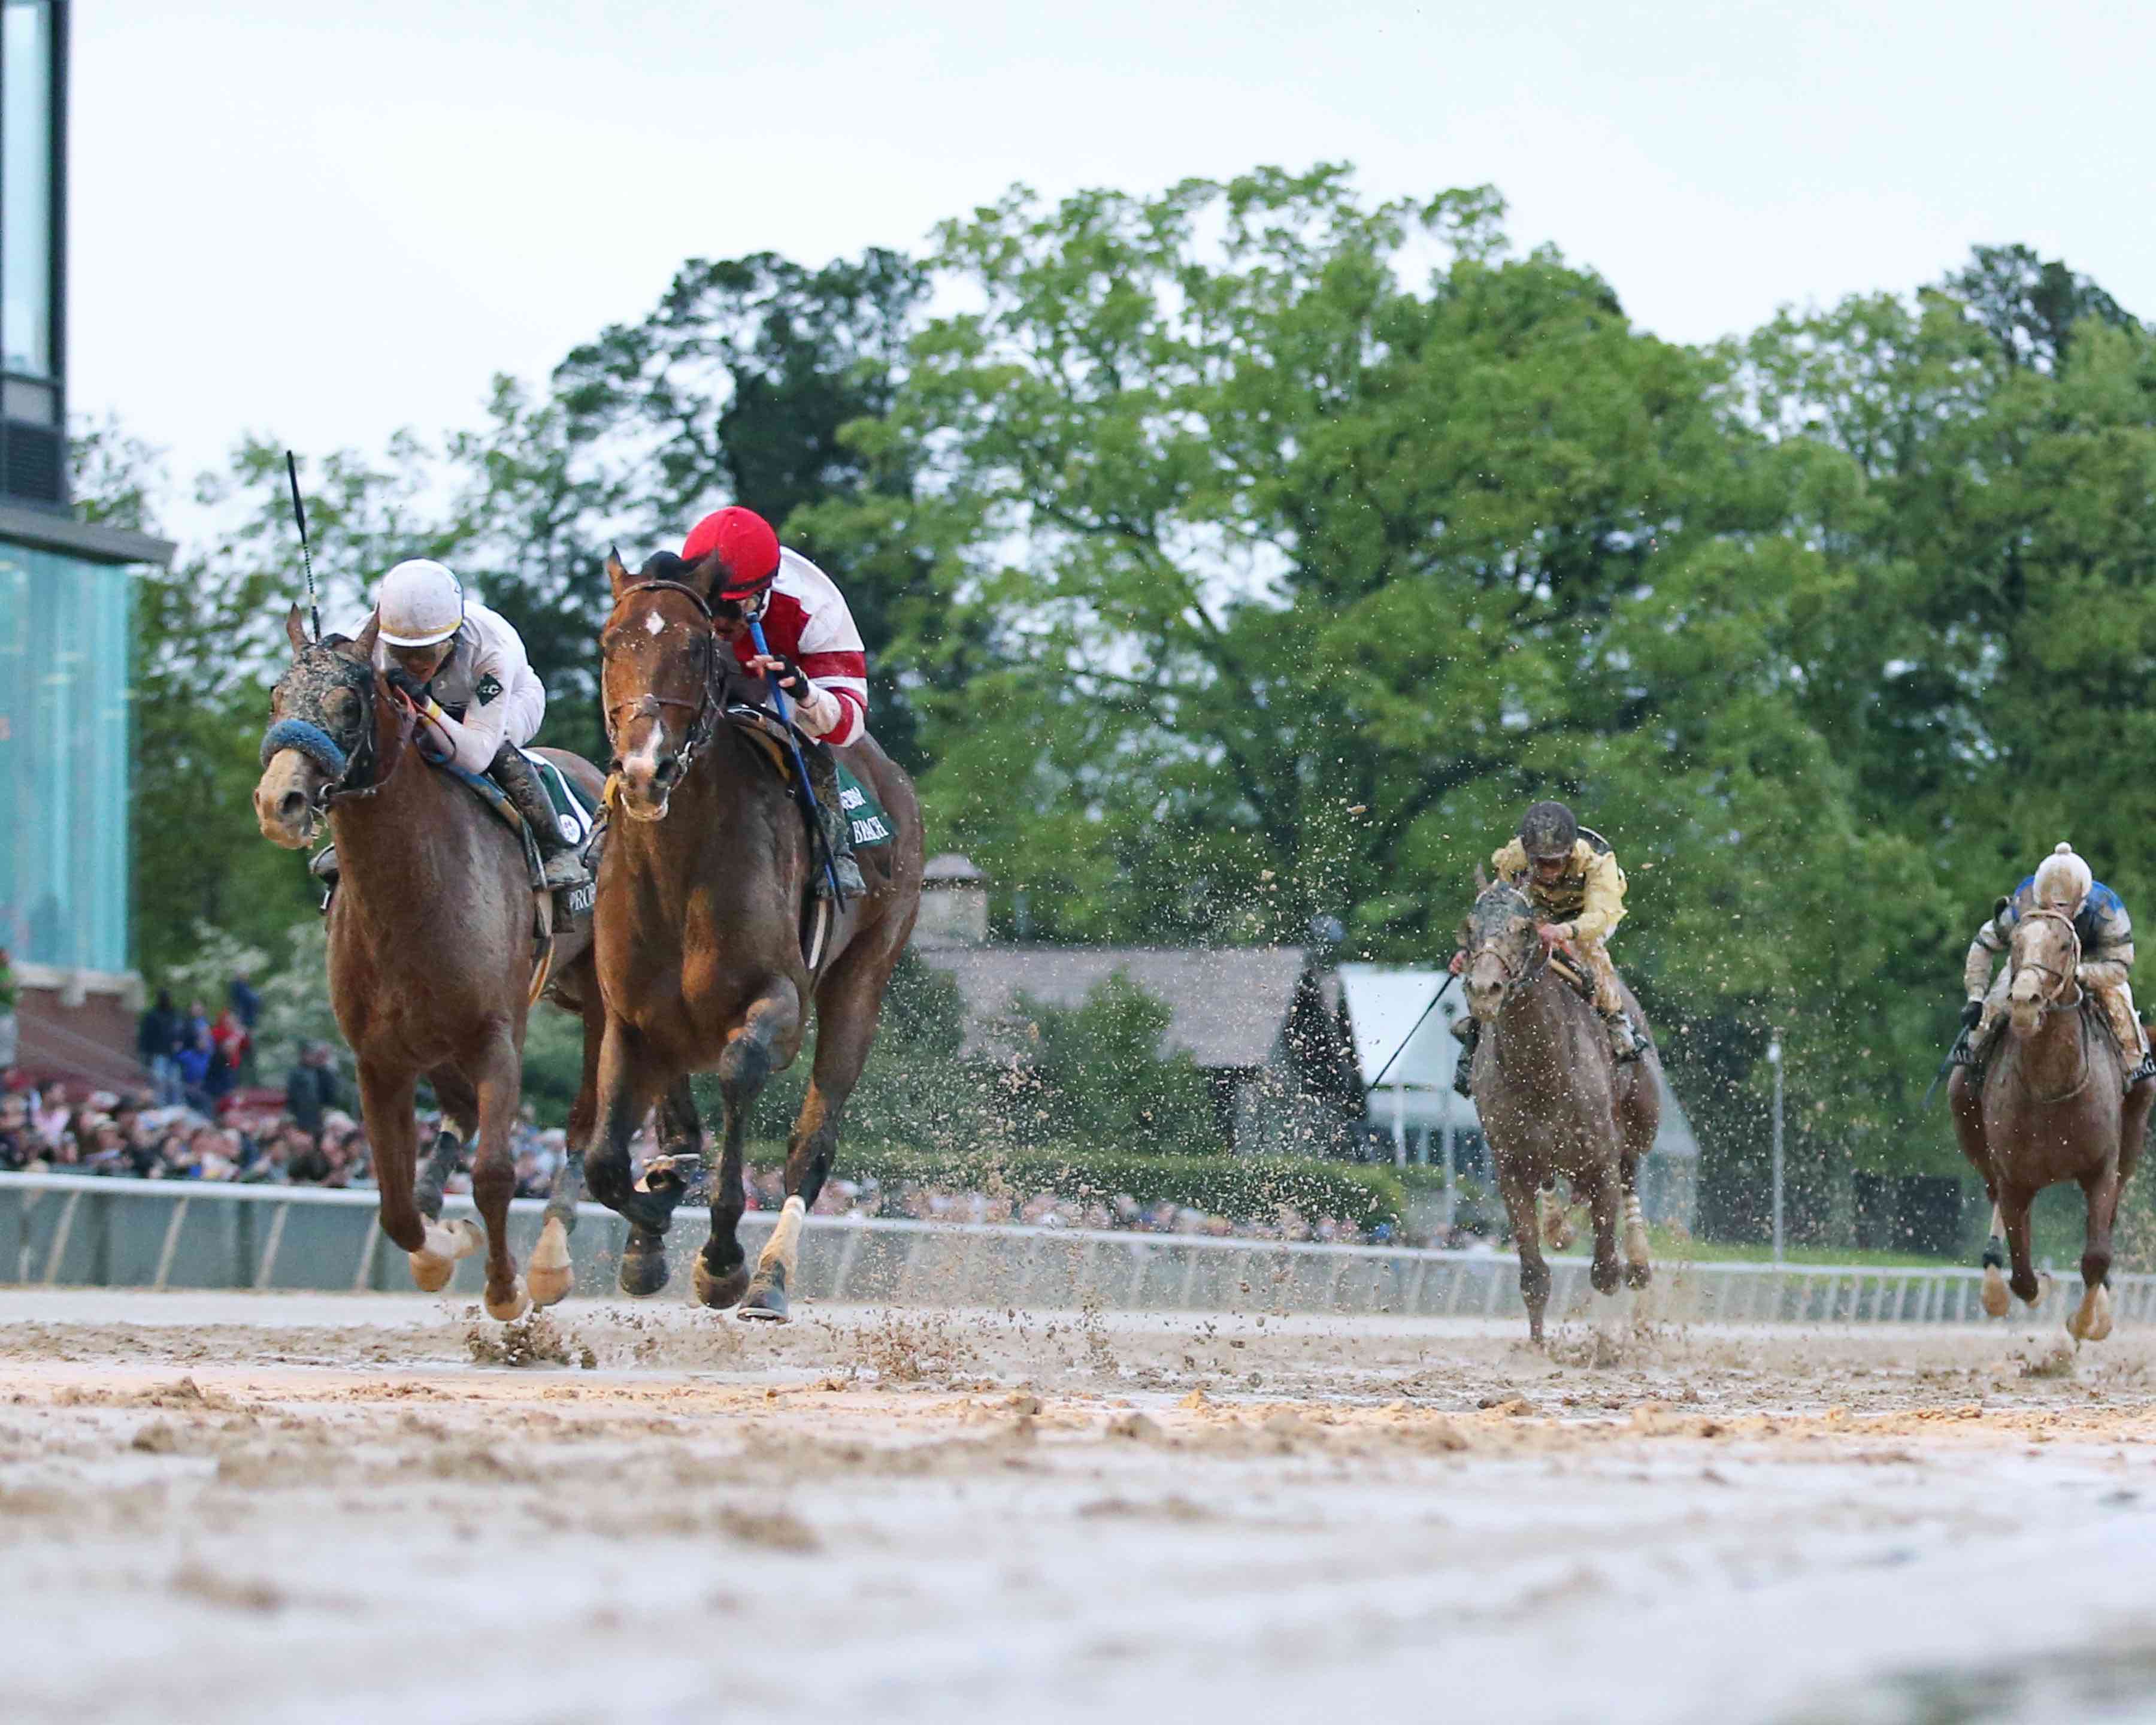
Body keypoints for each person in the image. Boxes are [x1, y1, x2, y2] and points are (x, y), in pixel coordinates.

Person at [313, 559, 587, 892]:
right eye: (403, 653)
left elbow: (475, 757)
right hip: (425, 708)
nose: (415, 665)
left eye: (426, 653)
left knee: (498, 753)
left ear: (453, 637)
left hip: (508, 703)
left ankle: (555, 846)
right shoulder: (365, 641)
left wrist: (426, 706)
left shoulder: (491, 649)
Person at [677, 507, 869, 897]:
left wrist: (804, 692)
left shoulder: (817, 608)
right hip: (705, 674)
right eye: (709, 604)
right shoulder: (678, 588)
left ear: (763, 592)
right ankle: (606, 825)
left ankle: (834, 843)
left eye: (731, 607)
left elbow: (850, 725)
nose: (718, 620)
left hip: (786, 686)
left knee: (800, 731)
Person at [1450, 800, 1646, 1094]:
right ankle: (1475, 1036)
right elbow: (1500, 907)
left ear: (1569, 854)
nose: (1546, 870)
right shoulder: (1514, 857)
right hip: (1537, 910)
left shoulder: (1597, 862)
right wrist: (1475, 950)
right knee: (1498, 959)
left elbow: (1601, 915)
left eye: (1554, 862)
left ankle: (1615, 1018)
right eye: (1538, 862)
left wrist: (1564, 931)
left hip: (1587, 915)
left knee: (1590, 951)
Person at [1960, 842, 2155, 1090]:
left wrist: (2079, 973)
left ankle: (2136, 1079)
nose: (2055, 910)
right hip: (2034, 963)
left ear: (2083, 900)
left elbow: (2120, 966)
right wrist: (1976, 997)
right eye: (2046, 907)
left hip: (2090, 965)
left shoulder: (2107, 910)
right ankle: (1974, 1067)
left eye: (2064, 906)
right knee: (1981, 1028)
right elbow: (1984, 943)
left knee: (2130, 1040)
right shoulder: (2023, 905)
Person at [283, 1042, 341, 1146]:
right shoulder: (296, 1073)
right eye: (308, 1054)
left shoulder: (321, 1072)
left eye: (312, 1054)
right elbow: (291, 1096)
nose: (311, 1057)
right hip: (302, 1115)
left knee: (318, 1142)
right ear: (303, 1055)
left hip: (317, 1115)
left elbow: (330, 1091)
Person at [137, 991, 182, 1105]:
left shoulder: (174, 1015)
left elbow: (179, 1033)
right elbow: (146, 1036)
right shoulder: (152, 1015)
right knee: (159, 1082)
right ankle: (160, 1105)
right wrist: (145, 1054)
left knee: (174, 1082)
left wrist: (179, 1042)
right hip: (158, 1054)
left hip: (172, 1056)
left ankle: (175, 1106)